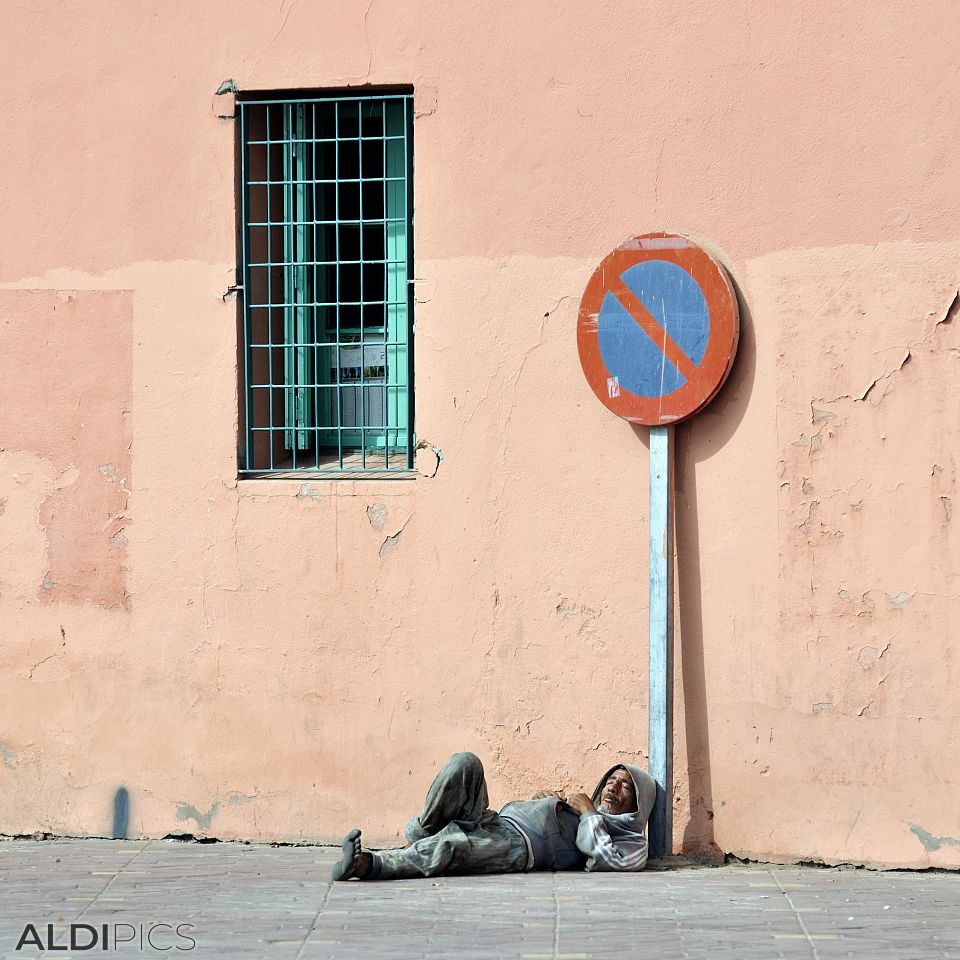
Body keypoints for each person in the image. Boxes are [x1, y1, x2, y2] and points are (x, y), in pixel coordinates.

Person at [331, 751, 656, 881]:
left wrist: (587, 813)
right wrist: (544, 804)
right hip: (496, 819)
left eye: (625, 785)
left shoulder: (630, 840)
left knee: (454, 847)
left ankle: (368, 865)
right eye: (611, 780)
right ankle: (427, 830)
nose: (613, 787)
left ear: (639, 803)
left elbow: (607, 860)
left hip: (516, 846)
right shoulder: (588, 812)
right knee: (466, 765)